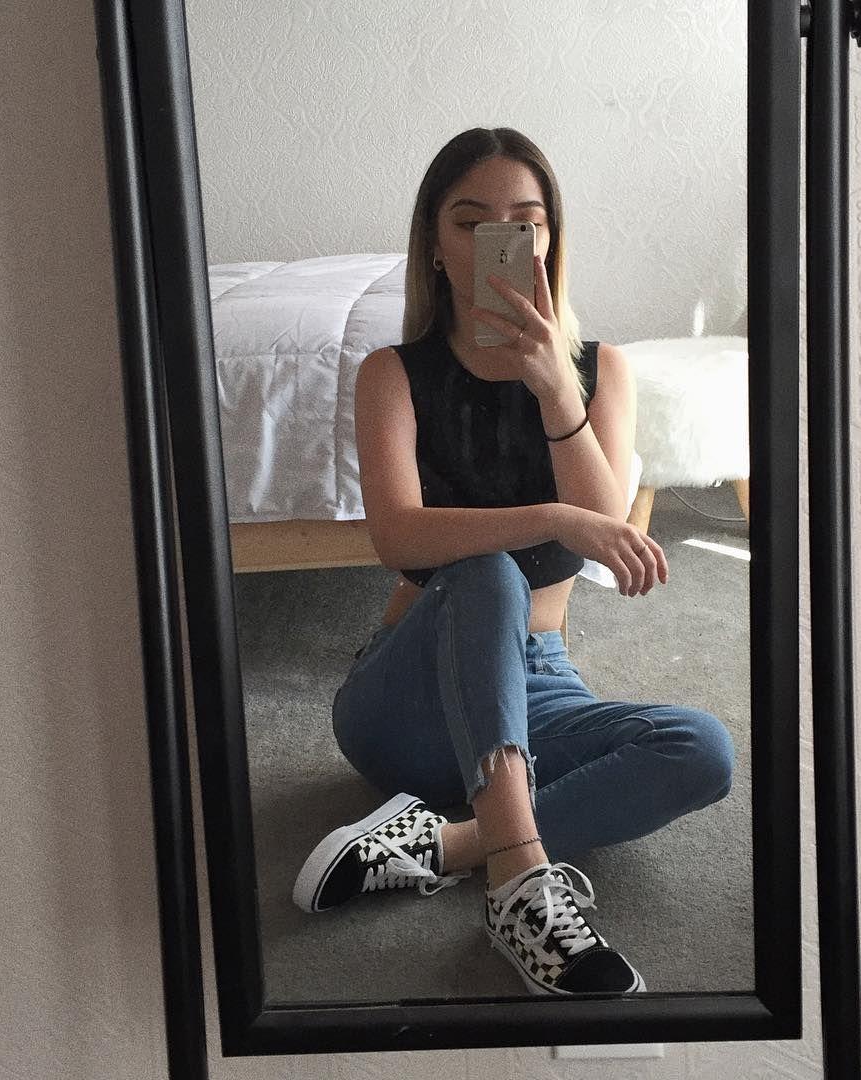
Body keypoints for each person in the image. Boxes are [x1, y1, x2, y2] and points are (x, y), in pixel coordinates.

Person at [292, 127, 735, 996]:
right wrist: (548, 517)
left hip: (538, 685)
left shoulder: (601, 371)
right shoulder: (392, 374)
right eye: (472, 221)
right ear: (435, 244)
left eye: (525, 222)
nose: (503, 240)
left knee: (702, 749)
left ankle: (448, 844)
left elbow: (604, 526)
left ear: (549, 239)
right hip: (407, 696)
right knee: (488, 569)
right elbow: (399, 538)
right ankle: (520, 888)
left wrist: (556, 388)